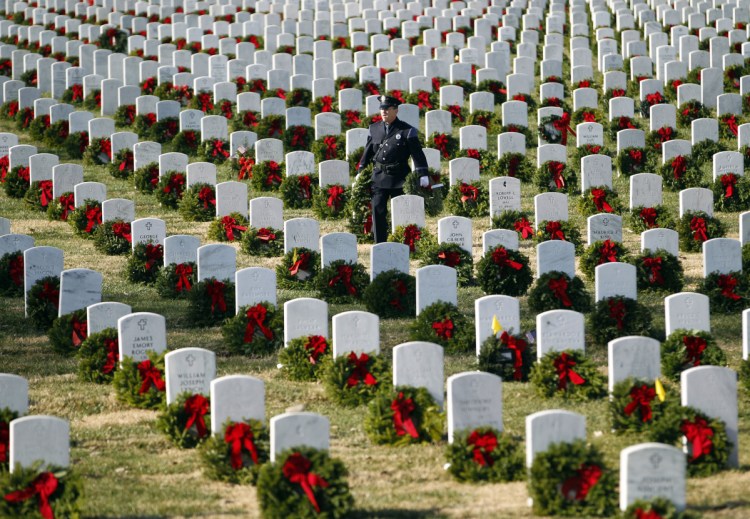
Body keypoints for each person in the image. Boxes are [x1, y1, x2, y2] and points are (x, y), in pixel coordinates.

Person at [357, 95, 430, 243]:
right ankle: (380, 243)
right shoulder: (374, 128)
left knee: (402, 213)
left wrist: (423, 173)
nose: (383, 112)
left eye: (387, 109)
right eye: (381, 109)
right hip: (379, 176)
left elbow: (417, 154)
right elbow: (368, 151)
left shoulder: (407, 130)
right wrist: (361, 169)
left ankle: (403, 242)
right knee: (377, 210)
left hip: (399, 178)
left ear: (395, 110)